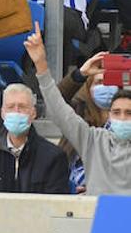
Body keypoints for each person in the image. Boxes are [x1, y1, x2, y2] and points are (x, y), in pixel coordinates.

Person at [27, 33, 131, 194]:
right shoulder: (93, 139)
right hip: (97, 214)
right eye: (117, 112)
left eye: (129, 113)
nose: (123, 118)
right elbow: (57, 108)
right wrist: (41, 65)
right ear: (110, 115)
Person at [0, 82, 73, 194]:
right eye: (10, 107)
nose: (16, 112)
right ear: (2, 113)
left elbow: (56, 204)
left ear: (33, 113)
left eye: (22, 107)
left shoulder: (53, 157)